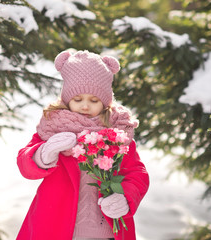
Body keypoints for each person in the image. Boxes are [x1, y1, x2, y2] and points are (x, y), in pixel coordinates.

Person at [16, 50, 149, 240]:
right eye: (78, 99)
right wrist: (44, 153)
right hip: (57, 225)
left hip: (107, 231)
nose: (85, 106)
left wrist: (126, 197)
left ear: (105, 102)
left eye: (93, 100)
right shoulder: (53, 126)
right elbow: (25, 165)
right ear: (67, 98)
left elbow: (137, 173)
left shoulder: (118, 130)